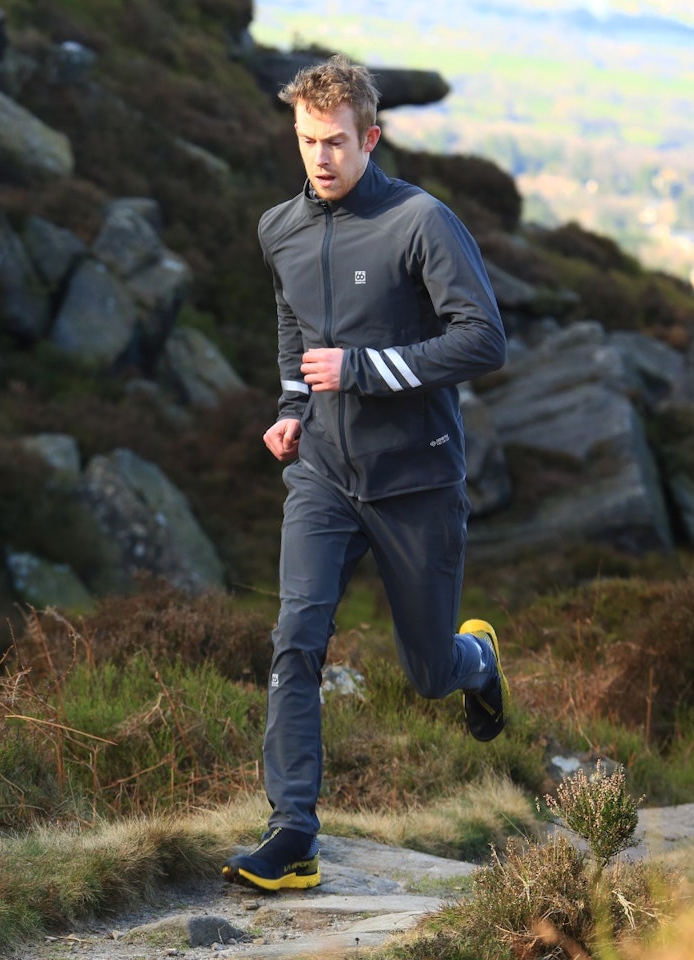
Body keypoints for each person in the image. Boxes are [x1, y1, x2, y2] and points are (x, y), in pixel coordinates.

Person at [221, 55, 511, 893]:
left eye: (337, 142)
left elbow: (483, 339)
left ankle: (475, 660)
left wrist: (362, 370)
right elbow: (293, 327)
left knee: (425, 672)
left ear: (370, 138)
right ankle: (292, 834)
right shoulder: (279, 226)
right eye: (308, 141)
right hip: (322, 476)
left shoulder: (422, 222)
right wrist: (289, 409)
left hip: (415, 479)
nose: (321, 158)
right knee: (295, 642)